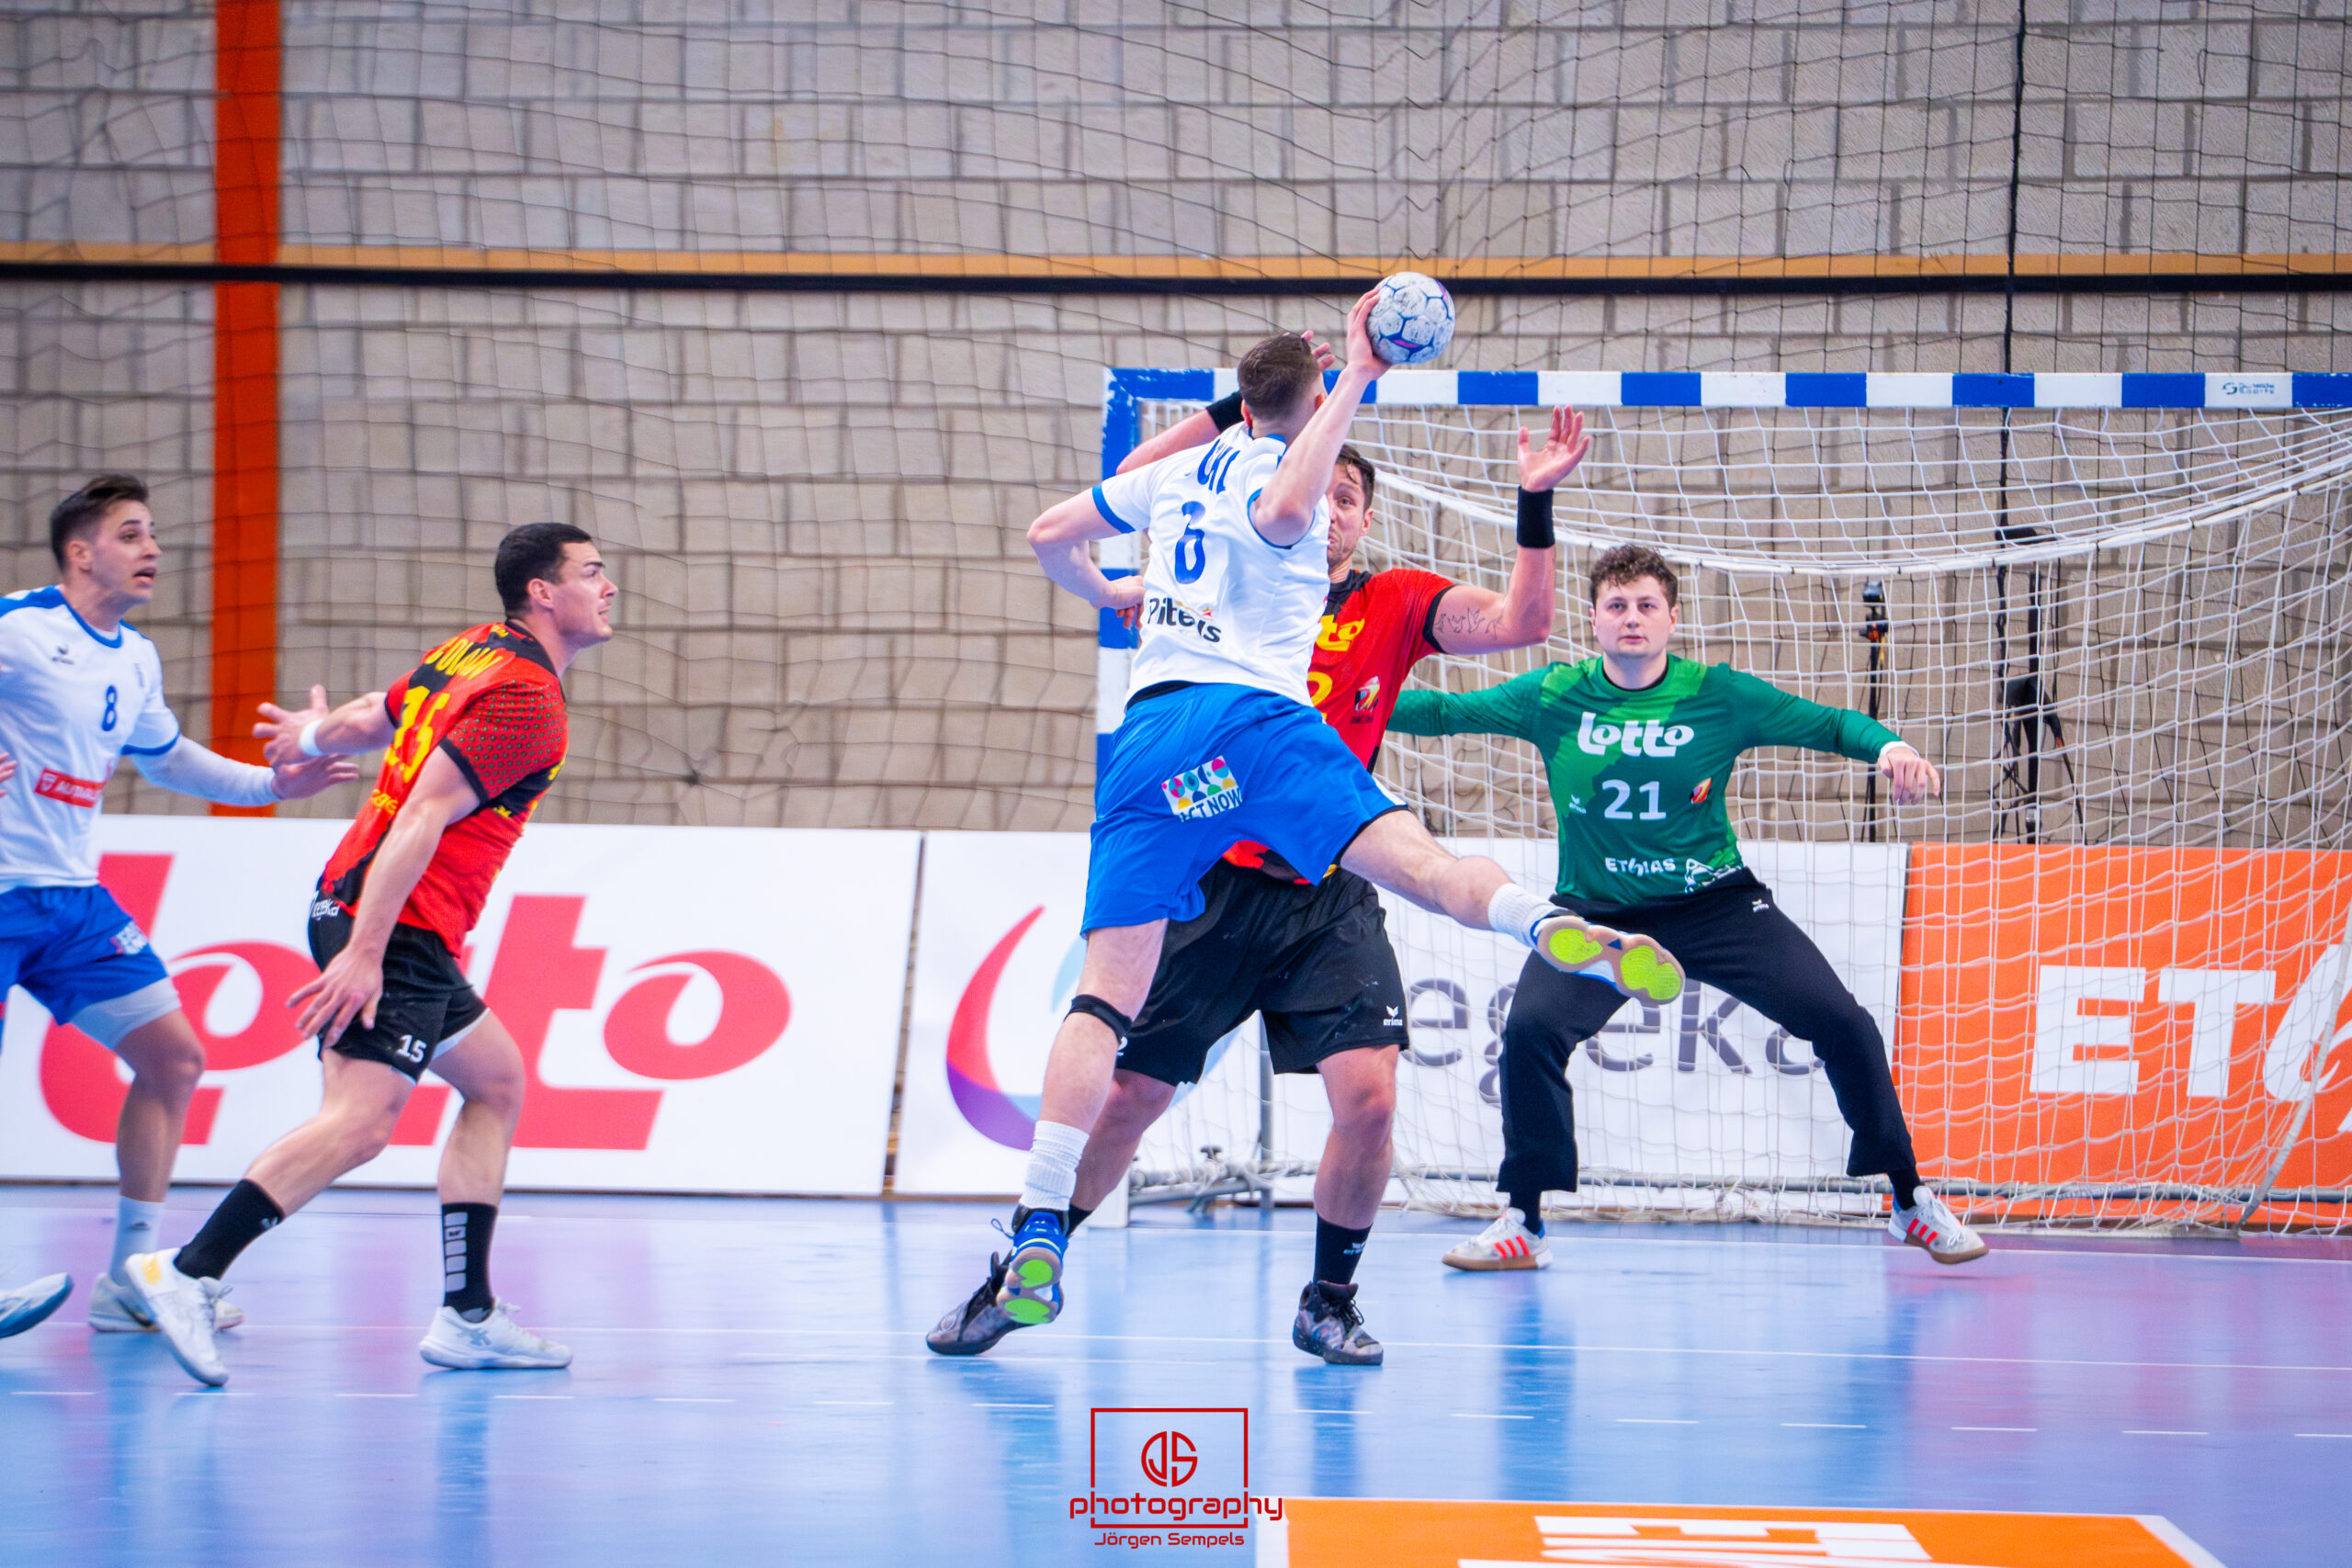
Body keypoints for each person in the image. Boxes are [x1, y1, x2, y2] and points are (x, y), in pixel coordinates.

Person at [941, 294, 1687, 1366]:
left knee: (1277, 1058)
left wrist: (1113, 587)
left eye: (1349, 497)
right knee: (1146, 1082)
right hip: (1238, 811)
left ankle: (1272, 1283)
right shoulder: (1268, 492)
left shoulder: (1351, 576)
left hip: (1254, 829)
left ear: (1367, 517)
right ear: (1306, 430)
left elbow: (1063, 527)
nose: (1329, 507)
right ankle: (1030, 1252)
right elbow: (1281, 504)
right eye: (1326, 481)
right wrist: (1357, 377)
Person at [1388, 543, 1989, 1270]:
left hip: (1716, 907)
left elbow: (1829, 724)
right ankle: (1523, 1219)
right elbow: (1444, 711)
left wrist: (1889, 748)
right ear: (1593, 620)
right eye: (1616, 605)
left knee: (1844, 1021)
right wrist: (1343, 695)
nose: (1631, 617)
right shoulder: (1555, 694)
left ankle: (1909, 1199)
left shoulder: (1718, 695)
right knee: (1530, 1032)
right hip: (1597, 918)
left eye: (1646, 605)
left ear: (1672, 618)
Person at [124, 523, 616, 1386]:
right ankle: (189, 1271)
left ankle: (468, 1314)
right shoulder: (529, 699)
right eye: (593, 571)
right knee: (360, 1122)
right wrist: (366, 952)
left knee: (496, 1081)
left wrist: (312, 735)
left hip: (376, 907)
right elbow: (422, 814)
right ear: (543, 591)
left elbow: (372, 715)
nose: (609, 586)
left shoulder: (472, 651)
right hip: (397, 920)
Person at [0, 475, 354, 1344]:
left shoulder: (134, 656)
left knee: (174, 1057)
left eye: (152, 533)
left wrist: (276, 783)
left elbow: (167, 759)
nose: (153, 548)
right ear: (81, 552)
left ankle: (130, 1279)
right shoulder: (18, 628)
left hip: (70, 900)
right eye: (130, 534)